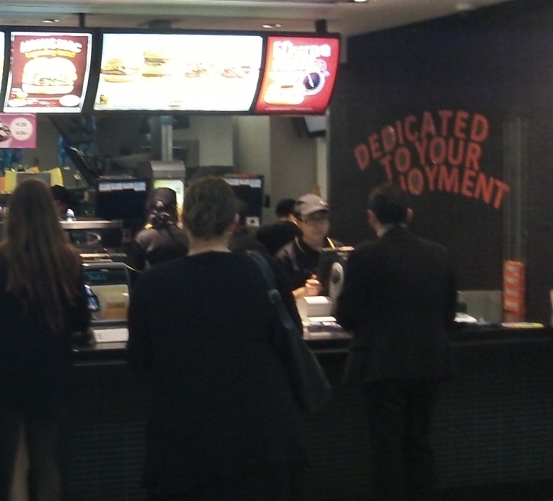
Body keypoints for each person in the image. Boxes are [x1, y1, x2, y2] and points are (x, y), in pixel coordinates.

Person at [127, 176, 304, 501]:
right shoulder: (264, 271)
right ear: (235, 220)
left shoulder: (154, 283)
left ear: (184, 220)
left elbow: (138, 359)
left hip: (183, 441)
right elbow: (292, 336)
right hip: (261, 436)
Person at [334, 184, 456, 501]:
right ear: (409, 215)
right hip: (429, 362)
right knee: (419, 442)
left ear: (371, 217)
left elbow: (346, 316)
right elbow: (448, 314)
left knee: (387, 449)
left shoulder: (364, 255)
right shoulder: (439, 253)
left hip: (382, 365)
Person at [0, 179, 91, 501]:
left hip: (7, 372)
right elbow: (81, 321)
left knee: (15, 462)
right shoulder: (69, 260)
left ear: (13, 215)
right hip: (53, 372)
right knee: (48, 461)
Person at [275, 194, 341, 298]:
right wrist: (304, 291)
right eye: (311, 219)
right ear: (297, 222)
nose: (318, 225)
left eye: (323, 218)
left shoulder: (339, 250)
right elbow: (279, 298)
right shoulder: (286, 256)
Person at [130, 186, 188, 268]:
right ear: (174, 211)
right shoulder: (186, 236)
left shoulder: (143, 238)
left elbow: (136, 268)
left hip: (153, 276)